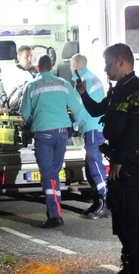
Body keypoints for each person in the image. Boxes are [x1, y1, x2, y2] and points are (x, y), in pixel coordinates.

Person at [81, 43, 139, 274]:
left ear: (121, 62)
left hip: (130, 162)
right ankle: (127, 267)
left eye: (109, 64)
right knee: (119, 216)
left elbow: (138, 131)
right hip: (120, 160)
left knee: (130, 217)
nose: (105, 69)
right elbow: (96, 110)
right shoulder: (117, 90)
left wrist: (120, 162)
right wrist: (82, 94)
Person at [19, 55, 92, 229]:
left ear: (38, 68)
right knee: (54, 173)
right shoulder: (64, 85)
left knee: (48, 175)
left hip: (43, 134)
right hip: (61, 134)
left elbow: (24, 113)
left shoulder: (31, 86)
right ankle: (54, 211)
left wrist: (33, 121)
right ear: (51, 66)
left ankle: (54, 215)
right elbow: (79, 110)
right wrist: (73, 125)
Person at [71, 53, 109, 219]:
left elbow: (82, 108)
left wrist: (73, 124)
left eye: (71, 64)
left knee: (94, 165)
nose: (70, 67)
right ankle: (97, 201)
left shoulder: (83, 81)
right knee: (90, 166)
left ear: (77, 64)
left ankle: (105, 200)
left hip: (92, 127)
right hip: (95, 127)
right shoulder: (92, 78)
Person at [0, 45, 36, 113]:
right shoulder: (12, 71)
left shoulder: (36, 71)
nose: (29, 59)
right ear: (19, 57)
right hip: (16, 101)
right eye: (26, 57)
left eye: (31, 56)